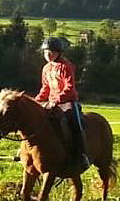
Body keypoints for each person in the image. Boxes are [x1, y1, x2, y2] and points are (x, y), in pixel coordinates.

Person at [35, 36, 90, 170]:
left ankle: (82, 155)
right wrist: (36, 101)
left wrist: (56, 100)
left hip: (67, 101)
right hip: (51, 102)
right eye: (45, 52)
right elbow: (45, 88)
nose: (47, 55)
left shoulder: (66, 66)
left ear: (58, 53)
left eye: (50, 52)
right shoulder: (46, 68)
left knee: (75, 124)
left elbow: (69, 87)